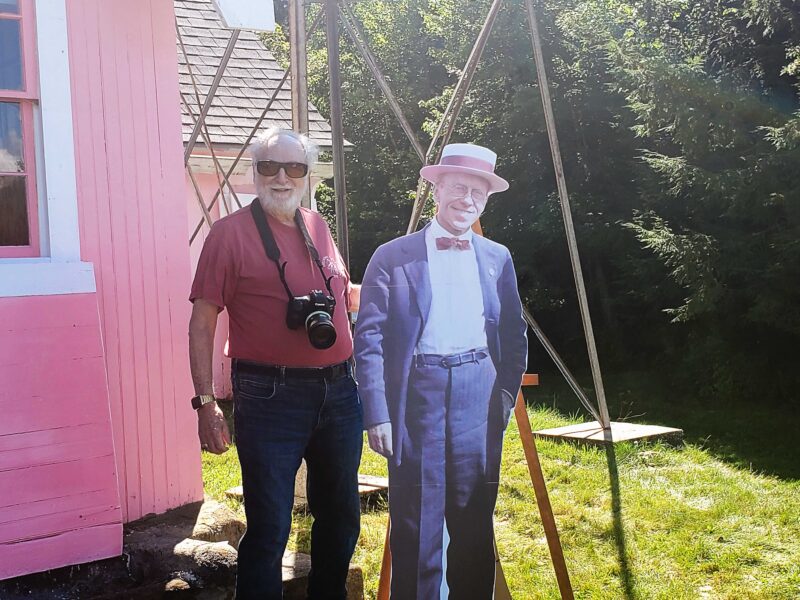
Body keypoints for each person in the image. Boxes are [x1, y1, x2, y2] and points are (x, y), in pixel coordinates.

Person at [188, 128, 363, 600]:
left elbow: (344, 298)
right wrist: (206, 402)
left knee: (342, 516)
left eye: (294, 168)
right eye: (269, 167)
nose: (281, 177)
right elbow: (202, 321)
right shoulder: (228, 235)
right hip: (270, 396)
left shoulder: (318, 225)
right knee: (269, 526)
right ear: (255, 172)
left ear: (308, 174)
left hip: (341, 392)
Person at [354, 143, 528, 599]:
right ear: (436, 189)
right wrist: (378, 413)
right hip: (417, 397)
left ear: (486, 200)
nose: (466, 199)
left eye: (477, 192)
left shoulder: (498, 257)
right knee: (417, 523)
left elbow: (513, 332)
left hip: (478, 395)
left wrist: (505, 395)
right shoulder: (392, 257)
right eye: (457, 187)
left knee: (474, 521)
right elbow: (368, 341)